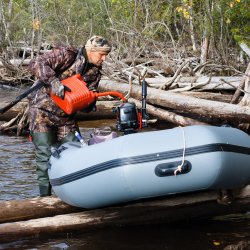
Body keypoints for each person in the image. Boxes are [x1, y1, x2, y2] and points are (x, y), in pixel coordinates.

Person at [27, 36, 112, 197]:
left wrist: (90, 104)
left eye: (106, 54)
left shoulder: (95, 73)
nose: (104, 58)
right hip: (42, 113)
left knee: (77, 152)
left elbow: (86, 104)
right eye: (102, 54)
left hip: (66, 117)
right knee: (45, 156)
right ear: (91, 51)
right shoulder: (67, 54)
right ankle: (45, 198)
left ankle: (76, 194)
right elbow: (36, 63)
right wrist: (53, 81)